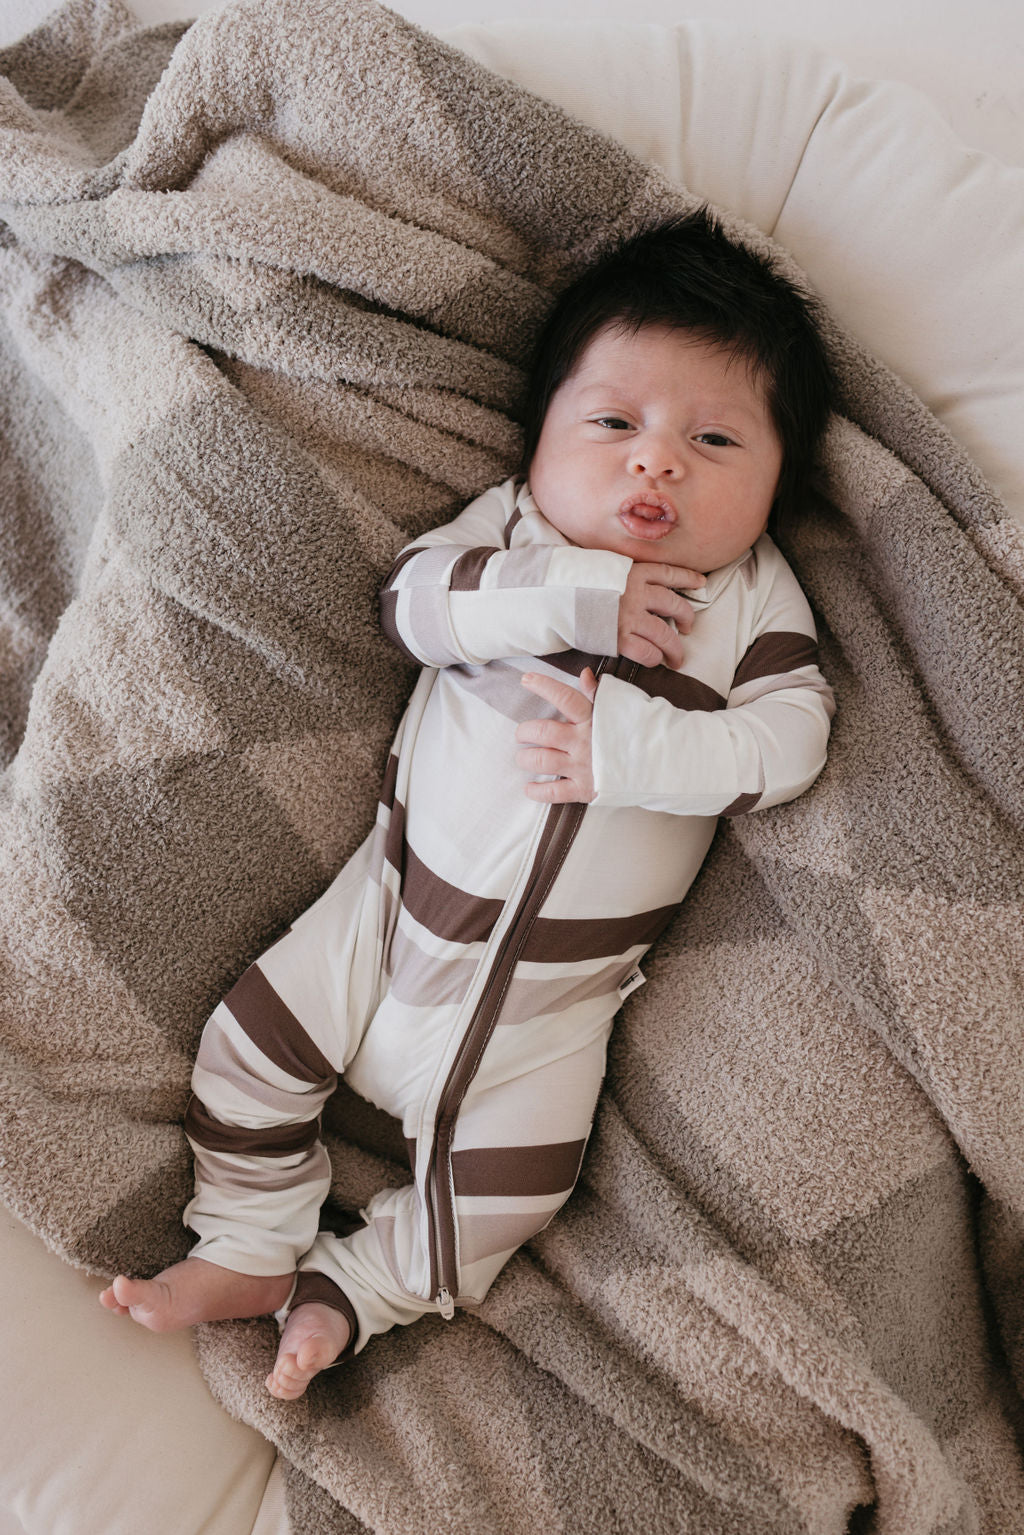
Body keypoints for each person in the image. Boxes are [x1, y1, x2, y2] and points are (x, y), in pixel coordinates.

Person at [100, 208, 837, 1400]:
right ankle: (242, 1239)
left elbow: (790, 744)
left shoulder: (754, 605)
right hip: (389, 912)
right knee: (247, 1046)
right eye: (612, 423)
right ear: (539, 434)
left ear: (777, 484)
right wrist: (572, 594)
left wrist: (637, 746)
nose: (655, 462)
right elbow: (414, 606)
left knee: (518, 1187)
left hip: (556, 1007)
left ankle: (353, 1291)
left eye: (713, 438)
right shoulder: (511, 537)